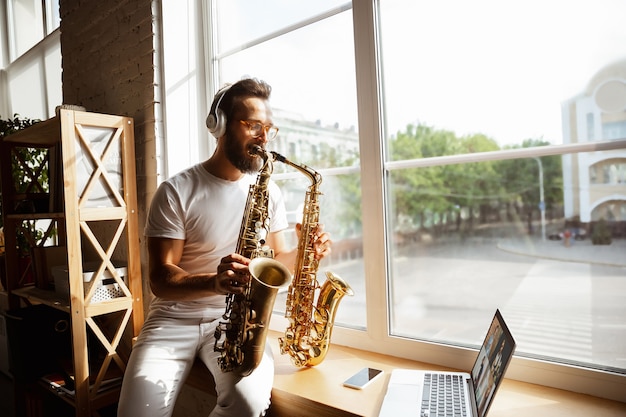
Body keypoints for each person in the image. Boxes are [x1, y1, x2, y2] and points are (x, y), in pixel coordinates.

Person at [118, 78, 332, 417]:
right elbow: (160, 280)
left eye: (269, 129)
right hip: (173, 319)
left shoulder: (270, 193)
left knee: (247, 404)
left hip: (236, 320)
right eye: (253, 126)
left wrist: (306, 250)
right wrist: (212, 282)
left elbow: (277, 262)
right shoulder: (176, 191)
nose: (264, 138)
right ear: (219, 126)